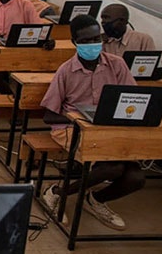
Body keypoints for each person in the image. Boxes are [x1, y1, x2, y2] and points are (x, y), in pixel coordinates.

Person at [40, 15, 144, 231]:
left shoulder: (117, 65)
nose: (92, 45)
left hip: (109, 129)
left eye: (96, 39)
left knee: (136, 177)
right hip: (72, 129)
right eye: (85, 41)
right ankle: (56, 193)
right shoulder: (66, 71)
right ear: (75, 42)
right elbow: (49, 116)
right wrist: (82, 120)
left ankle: (95, 199)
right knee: (112, 168)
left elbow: (133, 99)